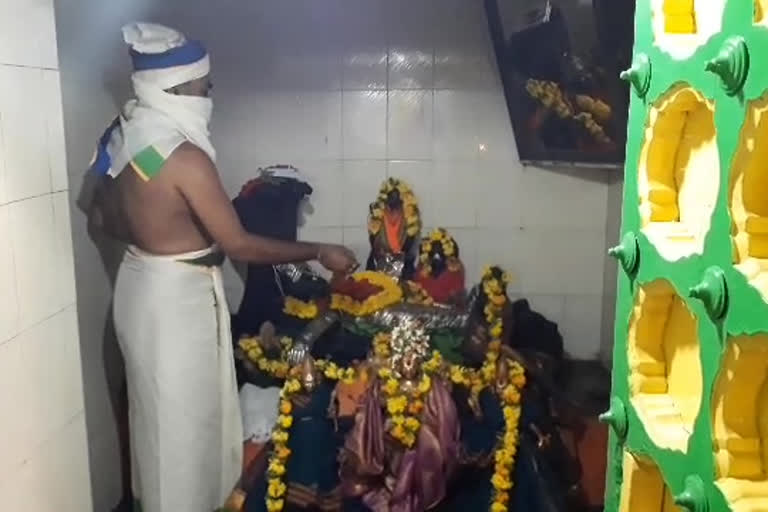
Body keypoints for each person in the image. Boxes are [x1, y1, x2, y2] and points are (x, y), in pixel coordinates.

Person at [86, 23, 358, 512]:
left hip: (138, 285)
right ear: (182, 88)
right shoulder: (184, 157)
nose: (209, 95)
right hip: (175, 301)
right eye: (205, 87)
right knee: (185, 428)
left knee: (156, 418)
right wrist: (318, 249)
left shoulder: (126, 131)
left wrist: (153, 234)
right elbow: (239, 244)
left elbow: (102, 215)